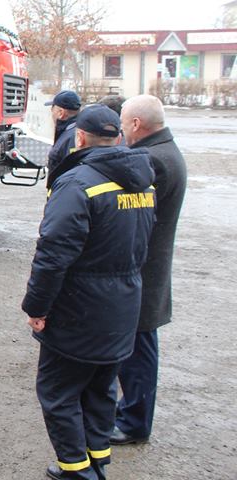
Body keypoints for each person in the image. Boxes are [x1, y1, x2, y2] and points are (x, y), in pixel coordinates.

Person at [21, 104, 156, 479]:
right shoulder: (143, 180)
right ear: (116, 137)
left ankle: (76, 470)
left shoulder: (78, 182)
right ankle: (97, 462)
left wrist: (37, 306)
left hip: (79, 310)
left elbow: (53, 253)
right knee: (100, 390)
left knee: (58, 392)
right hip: (123, 305)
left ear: (79, 137)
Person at [111, 95, 187, 446]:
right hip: (149, 268)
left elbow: (127, 212)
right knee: (138, 345)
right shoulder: (166, 150)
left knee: (138, 351)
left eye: (124, 123)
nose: (122, 130)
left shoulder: (153, 159)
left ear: (137, 124)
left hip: (143, 271)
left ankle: (134, 422)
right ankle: (130, 413)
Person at [44, 90, 82, 183]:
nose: (51, 114)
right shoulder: (74, 131)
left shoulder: (71, 137)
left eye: (52, 109)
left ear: (61, 113)